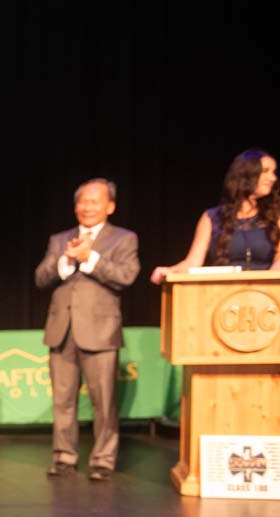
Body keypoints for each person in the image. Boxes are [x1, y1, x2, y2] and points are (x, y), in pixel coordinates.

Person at [34, 179, 141, 480]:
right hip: (62, 330)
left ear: (110, 206)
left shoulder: (123, 239)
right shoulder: (60, 239)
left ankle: (103, 460)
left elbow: (126, 276)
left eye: (95, 201)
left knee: (104, 402)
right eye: (83, 201)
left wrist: (90, 258)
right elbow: (41, 278)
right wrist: (65, 260)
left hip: (100, 331)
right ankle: (64, 458)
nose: (87, 207)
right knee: (62, 400)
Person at [150, 149, 280, 284]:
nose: (273, 178)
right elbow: (193, 262)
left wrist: (264, 285)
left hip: (265, 296)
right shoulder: (211, 218)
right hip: (221, 294)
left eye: (273, 172)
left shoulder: (276, 217)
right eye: (266, 171)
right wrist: (170, 271)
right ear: (245, 174)